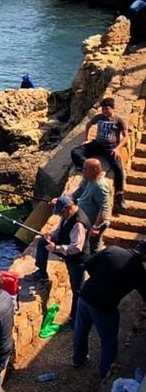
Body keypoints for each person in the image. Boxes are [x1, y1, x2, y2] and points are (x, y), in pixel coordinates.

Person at [72, 241, 146, 377]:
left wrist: (98, 279)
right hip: (105, 306)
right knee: (109, 341)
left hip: (86, 294)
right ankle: (105, 374)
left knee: (81, 329)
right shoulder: (139, 270)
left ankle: (78, 359)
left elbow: (88, 264)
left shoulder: (112, 250)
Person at [34, 196, 90, 324]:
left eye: (61, 212)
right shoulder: (67, 216)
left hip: (77, 259)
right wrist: (51, 236)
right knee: (43, 242)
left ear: (69, 208)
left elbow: (76, 247)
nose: (60, 215)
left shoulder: (78, 223)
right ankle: (41, 272)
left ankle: (76, 319)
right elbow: (61, 230)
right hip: (67, 250)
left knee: (77, 290)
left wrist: (56, 248)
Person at [70, 98, 128, 215]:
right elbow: (89, 124)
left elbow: (126, 137)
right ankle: (86, 167)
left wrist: (117, 148)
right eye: (103, 109)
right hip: (97, 144)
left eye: (107, 109)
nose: (105, 111)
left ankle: (119, 195)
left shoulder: (118, 120)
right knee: (75, 152)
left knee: (118, 169)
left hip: (110, 147)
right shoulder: (99, 117)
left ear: (113, 108)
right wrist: (86, 139)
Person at [64, 158, 111, 254]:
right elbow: (79, 192)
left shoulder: (100, 187)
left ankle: (97, 265)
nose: (82, 171)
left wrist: (96, 227)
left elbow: (104, 209)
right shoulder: (88, 179)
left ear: (95, 170)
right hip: (84, 220)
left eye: (85, 169)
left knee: (94, 248)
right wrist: (63, 200)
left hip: (94, 223)